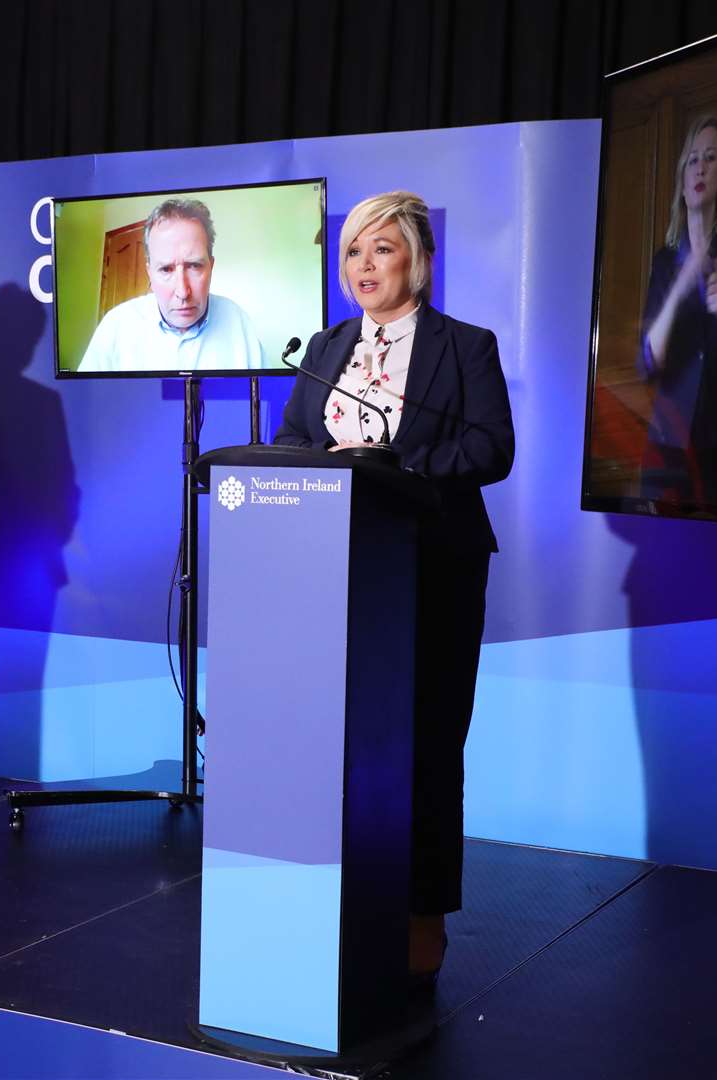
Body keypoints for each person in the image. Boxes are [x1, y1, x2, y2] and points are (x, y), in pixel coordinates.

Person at [274, 190, 514, 986]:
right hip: (333, 570)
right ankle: (340, 898)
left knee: (428, 748)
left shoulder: (464, 346)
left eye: (382, 249)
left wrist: (397, 472)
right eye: (353, 252)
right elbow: (294, 441)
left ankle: (422, 913)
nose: (365, 266)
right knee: (338, 746)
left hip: (433, 566)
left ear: (417, 259)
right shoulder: (325, 347)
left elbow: (491, 447)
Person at [638, 114, 717, 506]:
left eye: (710, 158)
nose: (701, 167)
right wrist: (678, 288)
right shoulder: (664, 259)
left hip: (713, 445)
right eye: (693, 159)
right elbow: (648, 360)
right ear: (682, 179)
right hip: (665, 443)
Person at [77, 198, 266, 373]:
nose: (183, 293)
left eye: (194, 266)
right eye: (166, 269)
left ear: (211, 267)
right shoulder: (115, 327)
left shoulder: (238, 322)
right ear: (149, 272)